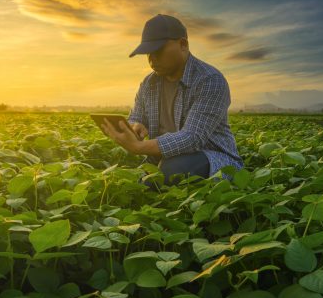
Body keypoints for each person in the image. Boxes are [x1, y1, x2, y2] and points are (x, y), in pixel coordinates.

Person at [101, 13, 244, 188]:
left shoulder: (210, 80)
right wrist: (135, 126)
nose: (152, 59)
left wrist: (139, 148)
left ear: (183, 44)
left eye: (158, 51)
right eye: (148, 53)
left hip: (211, 157)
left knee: (173, 169)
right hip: (162, 158)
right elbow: (136, 116)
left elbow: (192, 138)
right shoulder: (149, 83)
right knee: (127, 177)